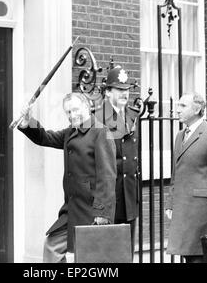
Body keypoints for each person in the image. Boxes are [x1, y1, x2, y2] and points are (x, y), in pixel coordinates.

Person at [18, 92, 116, 263]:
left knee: (89, 260)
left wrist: (102, 212)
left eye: (75, 110)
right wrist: (28, 122)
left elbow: (107, 175)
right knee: (52, 247)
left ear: (87, 106)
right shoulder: (70, 132)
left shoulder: (101, 132)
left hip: (92, 211)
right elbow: (45, 138)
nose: (72, 115)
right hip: (71, 209)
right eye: (68, 112)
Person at [165, 92, 207, 263]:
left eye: (183, 106)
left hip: (203, 214)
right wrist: (170, 202)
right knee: (189, 257)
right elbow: (176, 173)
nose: (177, 110)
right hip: (183, 212)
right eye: (178, 105)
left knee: (201, 258)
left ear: (198, 109)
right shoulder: (180, 136)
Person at [94, 65, 140, 258]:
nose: (124, 94)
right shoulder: (97, 116)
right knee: (108, 256)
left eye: (127, 90)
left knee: (127, 254)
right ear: (107, 92)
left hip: (129, 195)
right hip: (110, 197)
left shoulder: (133, 115)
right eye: (119, 89)